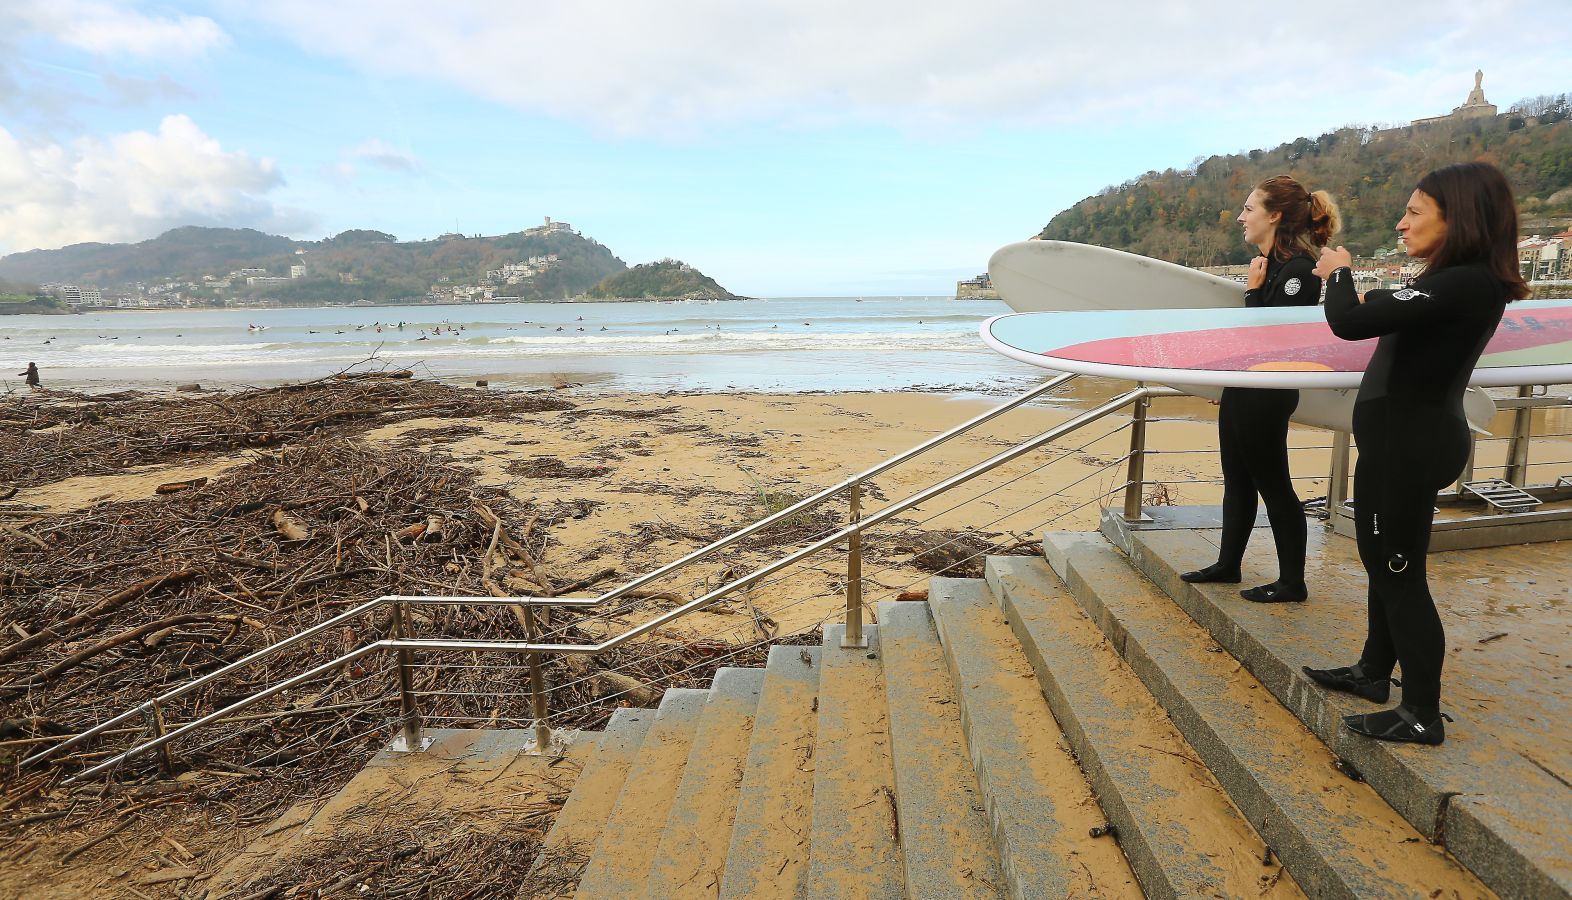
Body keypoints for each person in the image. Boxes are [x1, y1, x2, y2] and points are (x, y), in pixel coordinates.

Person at [1305, 161, 1526, 745]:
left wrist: (1338, 272)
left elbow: (1349, 321)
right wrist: (1370, 290)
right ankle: (1373, 671)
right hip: (1397, 443)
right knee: (1383, 562)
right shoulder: (1451, 282)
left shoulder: (1465, 283)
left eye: (1414, 212)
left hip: (1410, 446)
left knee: (1401, 573)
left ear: (1459, 218)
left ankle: (1421, 712)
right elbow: (1392, 308)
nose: (1401, 224)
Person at [1181, 176, 1340, 602]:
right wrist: (1227, 381)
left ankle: (1292, 582)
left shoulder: (1300, 270)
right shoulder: (1269, 265)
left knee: (1274, 485)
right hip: (1245, 387)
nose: (1241, 217)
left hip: (1268, 392)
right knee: (1236, 480)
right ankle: (1227, 565)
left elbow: (1272, 338)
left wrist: (1252, 292)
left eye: (1249, 209)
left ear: (1275, 216)